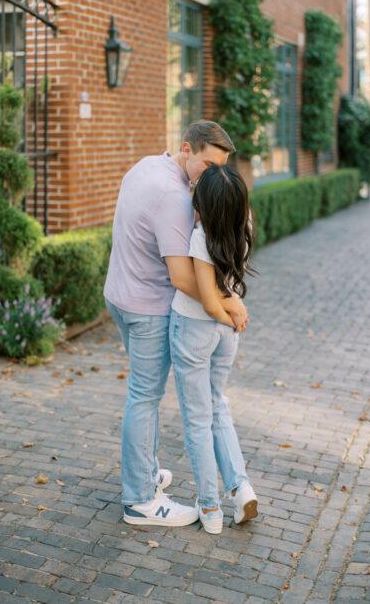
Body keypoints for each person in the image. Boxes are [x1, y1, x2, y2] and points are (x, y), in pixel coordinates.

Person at [103, 121, 248, 527]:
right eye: (207, 165)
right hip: (147, 309)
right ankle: (141, 500)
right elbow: (182, 278)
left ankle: (145, 474)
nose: (212, 176)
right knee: (145, 399)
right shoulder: (173, 196)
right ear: (186, 149)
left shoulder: (149, 165)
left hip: (120, 295)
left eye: (220, 167)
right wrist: (229, 301)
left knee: (142, 395)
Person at [169, 164, 258, 534]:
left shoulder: (201, 236)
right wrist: (234, 312)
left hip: (195, 329)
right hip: (227, 335)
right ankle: (240, 488)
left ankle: (209, 507)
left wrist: (226, 311)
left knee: (197, 419)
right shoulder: (244, 226)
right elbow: (224, 297)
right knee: (217, 405)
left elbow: (207, 300)